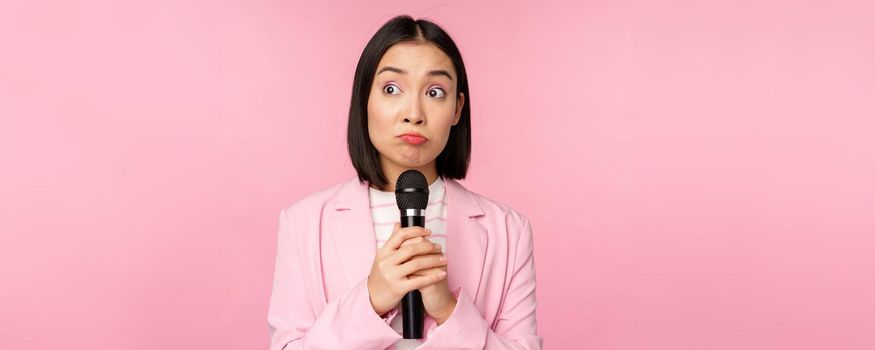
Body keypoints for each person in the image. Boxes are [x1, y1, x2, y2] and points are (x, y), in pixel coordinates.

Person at [268, 15, 542, 350]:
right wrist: (371, 299)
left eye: (435, 91)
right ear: (364, 98)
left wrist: (448, 310)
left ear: (457, 109)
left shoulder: (509, 232)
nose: (414, 112)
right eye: (391, 89)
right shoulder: (303, 224)